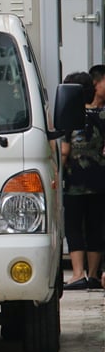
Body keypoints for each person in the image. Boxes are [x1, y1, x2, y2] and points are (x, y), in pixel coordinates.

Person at [60, 72, 105, 290]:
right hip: (99, 180)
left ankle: (77, 274)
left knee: (75, 226)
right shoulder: (102, 115)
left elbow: (65, 150)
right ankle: (94, 275)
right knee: (96, 226)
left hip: (75, 182)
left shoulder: (69, 117)